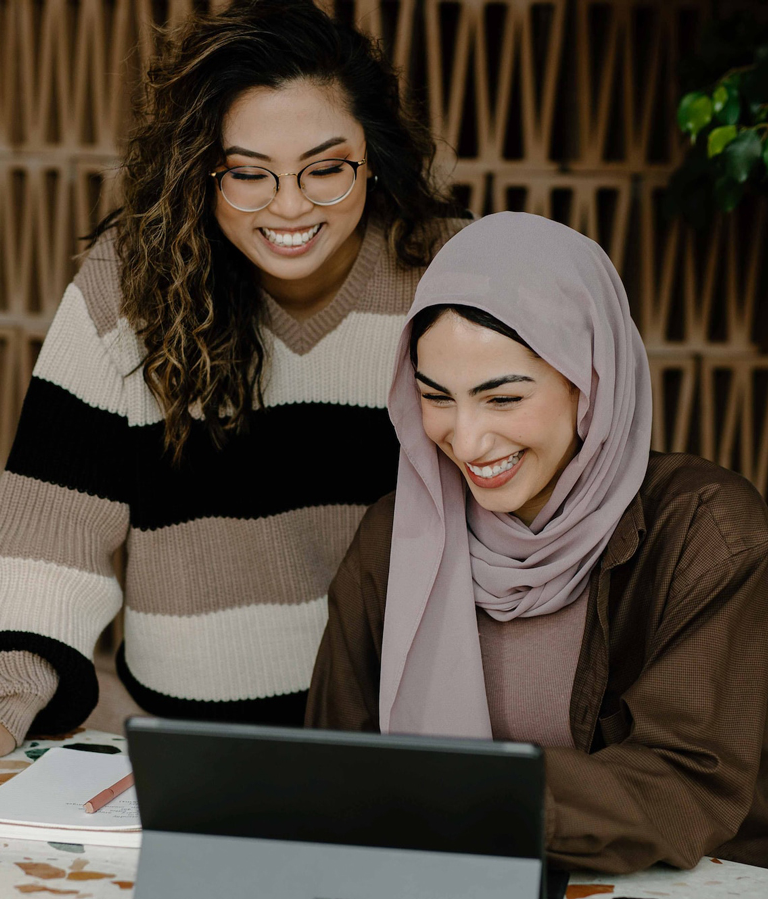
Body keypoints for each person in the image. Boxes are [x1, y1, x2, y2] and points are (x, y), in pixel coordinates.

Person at [0, 0, 466, 774]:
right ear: (200, 168)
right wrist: (2, 701)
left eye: (325, 169)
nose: (290, 206)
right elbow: (53, 521)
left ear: (373, 155)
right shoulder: (130, 284)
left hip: (400, 740)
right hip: (189, 750)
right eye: (248, 173)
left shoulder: (445, 273)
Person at [305, 211, 768, 873]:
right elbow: (333, 762)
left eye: (502, 398)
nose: (466, 441)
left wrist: (462, 794)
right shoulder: (397, 534)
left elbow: (684, 782)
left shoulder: (706, 530)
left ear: (590, 383)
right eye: (438, 397)